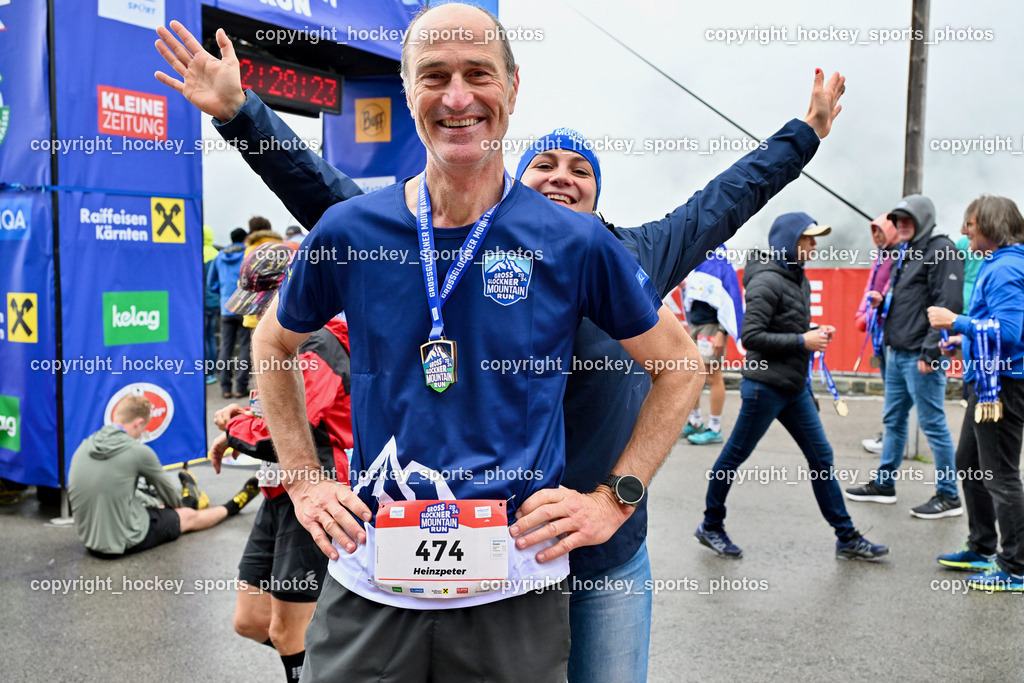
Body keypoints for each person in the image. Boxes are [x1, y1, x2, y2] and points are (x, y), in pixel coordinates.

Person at [154, 13, 845, 681]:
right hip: (418, 563)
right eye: (547, 163)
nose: (562, 176)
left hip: (592, 557)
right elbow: (321, 194)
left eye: (581, 167)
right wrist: (242, 114)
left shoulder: (619, 253)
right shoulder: (407, 238)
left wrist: (805, 134)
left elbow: (729, 198)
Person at [696, 213, 888, 561]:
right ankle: (710, 526)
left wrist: (813, 330)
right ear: (789, 242)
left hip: (794, 387)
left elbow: (787, 326)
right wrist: (803, 339)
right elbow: (751, 337)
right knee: (732, 458)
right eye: (808, 239)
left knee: (821, 459)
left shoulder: (796, 276)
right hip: (764, 388)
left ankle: (846, 538)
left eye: (814, 239)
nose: (814, 245)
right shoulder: (767, 282)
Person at [208, 242, 354, 683]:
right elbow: (275, 413)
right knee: (250, 621)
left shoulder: (317, 342)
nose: (253, 319)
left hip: (318, 495)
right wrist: (243, 418)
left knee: (289, 633)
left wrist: (237, 430)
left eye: (260, 306)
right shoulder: (282, 340)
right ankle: (334, 668)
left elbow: (284, 437)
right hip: (277, 493)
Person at [845, 195, 965, 518]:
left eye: (908, 218)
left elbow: (948, 304)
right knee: (893, 421)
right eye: (898, 220)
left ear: (925, 217)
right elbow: (910, 299)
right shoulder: (907, 252)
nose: (902, 224)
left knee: (933, 424)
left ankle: (949, 495)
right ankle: (885, 484)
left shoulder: (941, 250)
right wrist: (881, 300)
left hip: (920, 356)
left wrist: (930, 351)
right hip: (896, 353)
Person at [928, 195, 1024, 592]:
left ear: (992, 226)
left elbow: (1011, 334)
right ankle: (983, 546)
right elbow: (992, 327)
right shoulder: (996, 263)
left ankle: (1015, 566)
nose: (965, 231)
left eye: (970, 224)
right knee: (968, 462)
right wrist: (959, 340)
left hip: (1001, 386)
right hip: (986, 381)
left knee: (1000, 475)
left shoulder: (1005, 269)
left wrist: (956, 320)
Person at [67, 395, 259, 557]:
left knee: (151, 502)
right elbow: (170, 498)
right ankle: (232, 506)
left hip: (89, 540)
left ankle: (189, 495)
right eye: (143, 430)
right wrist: (175, 506)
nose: (140, 435)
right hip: (121, 541)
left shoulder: (85, 446)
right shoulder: (136, 450)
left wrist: (153, 503)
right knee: (187, 515)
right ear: (139, 422)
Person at [681, 246, 744, 445]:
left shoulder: (721, 260)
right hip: (697, 327)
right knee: (692, 374)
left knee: (713, 376)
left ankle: (715, 428)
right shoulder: (698, 260)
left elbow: (729, 299)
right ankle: (695, 421)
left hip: (711, 329)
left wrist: (721, 332)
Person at [855, 214, 898, 454]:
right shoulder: (880, 256)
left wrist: (870, 314)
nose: (877, 236)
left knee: (893, 387)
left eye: (881, 231)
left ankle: (892, 438)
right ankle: (891, 436)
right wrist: (863, 314)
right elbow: (870, 288)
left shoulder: (898, 258)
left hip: (888, 329)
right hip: (877, 327)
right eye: (874, 232)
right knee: (889, 384)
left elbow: (885, 292)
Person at [208, 227, 250, 398]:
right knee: (246, 347)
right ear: (244, 238)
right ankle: (241, 387)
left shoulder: (220, 256)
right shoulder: (247, 254)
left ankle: (225, 388)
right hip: (245, 306)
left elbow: (212, 283)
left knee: (225, 348)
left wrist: (224, 294)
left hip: (226, 308)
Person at [203, 225, 221, 385]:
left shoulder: (196, 254)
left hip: (200, 303)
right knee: (210, 337)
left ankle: (204, 372)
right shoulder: (216, 255)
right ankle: (211, 372)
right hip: (214, 302)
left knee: (202, 337)